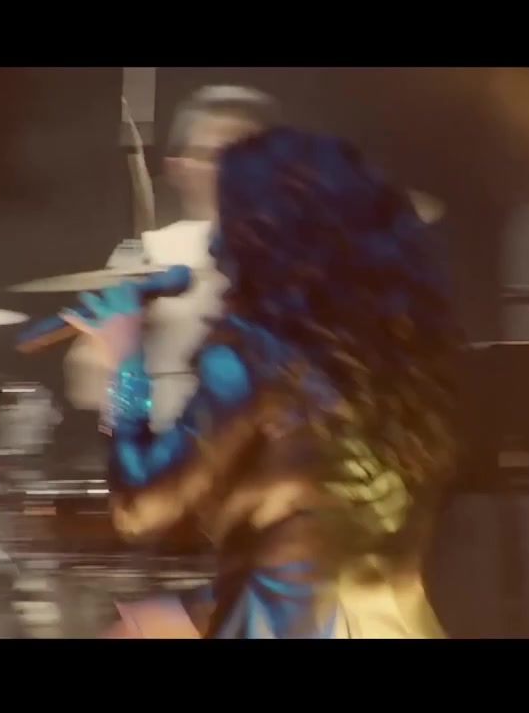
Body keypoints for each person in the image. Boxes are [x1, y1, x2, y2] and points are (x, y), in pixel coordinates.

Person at [64, 126, 460, 638]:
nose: (216, 238)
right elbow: (327, 542)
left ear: (260, 233)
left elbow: (140, 507)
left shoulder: (254, 359)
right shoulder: (401, 366)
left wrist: (125, 360)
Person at [65, 85, 278, 430]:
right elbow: (87, 373)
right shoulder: (149, 254)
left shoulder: (308, 254)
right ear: (178, 168)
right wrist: (107, 357)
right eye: (209, 155)